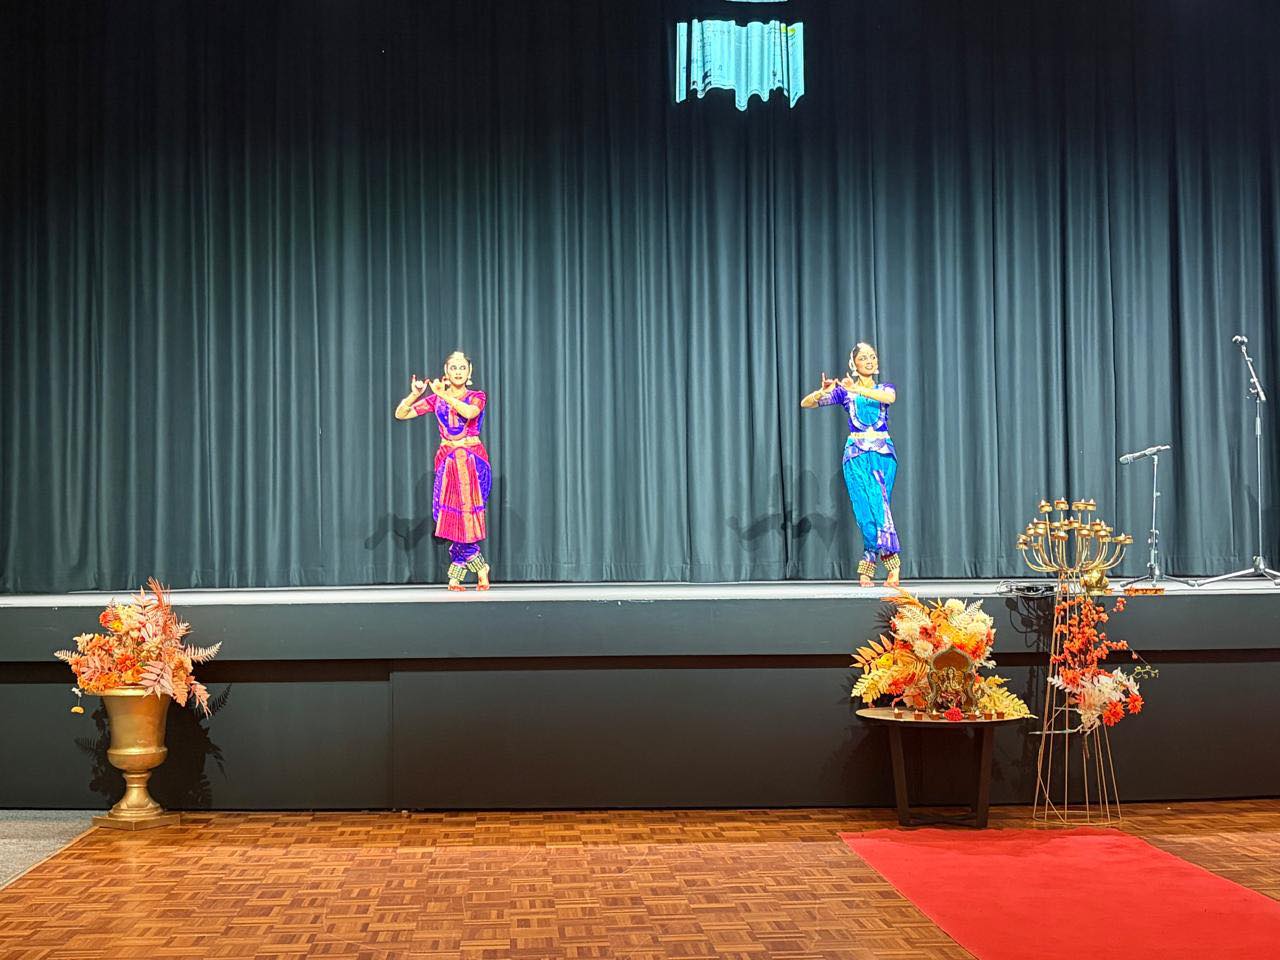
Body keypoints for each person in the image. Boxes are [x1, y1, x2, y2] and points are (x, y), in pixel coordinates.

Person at [801, 342, 900, 587]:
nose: (869, 361)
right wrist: (821, 392)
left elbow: (889, 398)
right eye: (863, 357)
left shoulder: (883, 388)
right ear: (853, 364)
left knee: (879, 505)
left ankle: (884, 562)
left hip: (882, 454)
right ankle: (876, 561)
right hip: (856, 455)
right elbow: (806, 403)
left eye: (872, 356)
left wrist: (857, 388)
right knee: (865, 511)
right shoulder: (845, 393)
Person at [395, 351, 492, 590]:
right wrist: (415, 394)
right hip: (448, 462)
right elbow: (401, 414)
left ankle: (462, 574)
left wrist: (444, 395)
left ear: (469, 372)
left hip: (471, 461)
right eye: (453, 368)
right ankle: (477, 568)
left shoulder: (476, 396)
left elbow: (470, 413)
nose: (458, 372)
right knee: (449, 517)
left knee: (466, 516)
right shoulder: (436, 399)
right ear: (446, 372)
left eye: (462, 368)